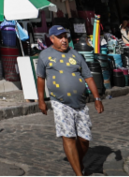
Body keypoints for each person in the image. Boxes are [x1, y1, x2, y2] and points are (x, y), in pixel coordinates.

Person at [36, 25, 104, 177]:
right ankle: (79, 174)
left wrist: (97, 98)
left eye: (65, 36)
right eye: (60, 37)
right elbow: (40, 78)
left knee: (85, 139)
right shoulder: (45, 55)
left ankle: (76, 161)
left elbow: (88, 77)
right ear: (52, 39)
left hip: (80, 103)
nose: (64, 40)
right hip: (60, 102)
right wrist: (41, 100)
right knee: (68, 136)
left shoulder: (76, 55)